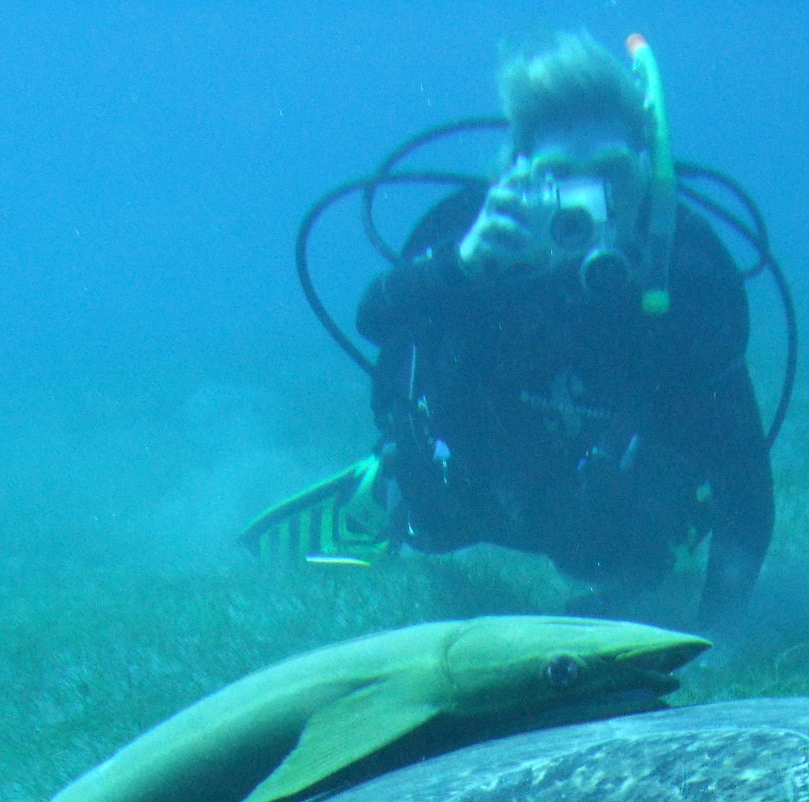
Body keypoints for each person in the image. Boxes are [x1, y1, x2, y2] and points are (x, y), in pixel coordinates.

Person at [300, 34, 775, 626]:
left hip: (605, 508)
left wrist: (720, 630)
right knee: (429, 524)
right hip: (470, 479)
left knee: (632, 559)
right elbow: (374, 317)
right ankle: (393, 485)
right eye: (559, 178)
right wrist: (461, 266)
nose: (587, 208)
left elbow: (744, 479)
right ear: (518, 171)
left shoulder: (691, 272)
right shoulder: (471, 231)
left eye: (612, 177)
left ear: (651, 174)